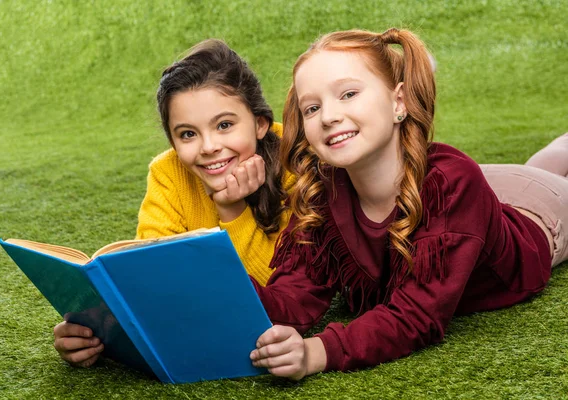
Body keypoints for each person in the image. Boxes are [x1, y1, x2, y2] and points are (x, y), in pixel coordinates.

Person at [249, 28, 568, 380]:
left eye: (349, 94)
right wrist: (230, 289)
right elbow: (294, 293)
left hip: (537, 208)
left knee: (548, 166)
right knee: (535, 165)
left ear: (398, 102)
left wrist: (316, 352)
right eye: (312, 107)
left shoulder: (454, 183)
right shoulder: (323, 192)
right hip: (470, 193)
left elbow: (416, 314)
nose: (328, 116)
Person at [53, 39, 296, 367]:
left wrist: (231, 209)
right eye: (187, 134)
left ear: (259, 123)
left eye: (224, 125)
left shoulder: (295, 162)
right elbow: (152, 280)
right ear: (172, 141)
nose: (209, 147)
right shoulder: (168, 172)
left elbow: (279, 296)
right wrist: (92, 329)